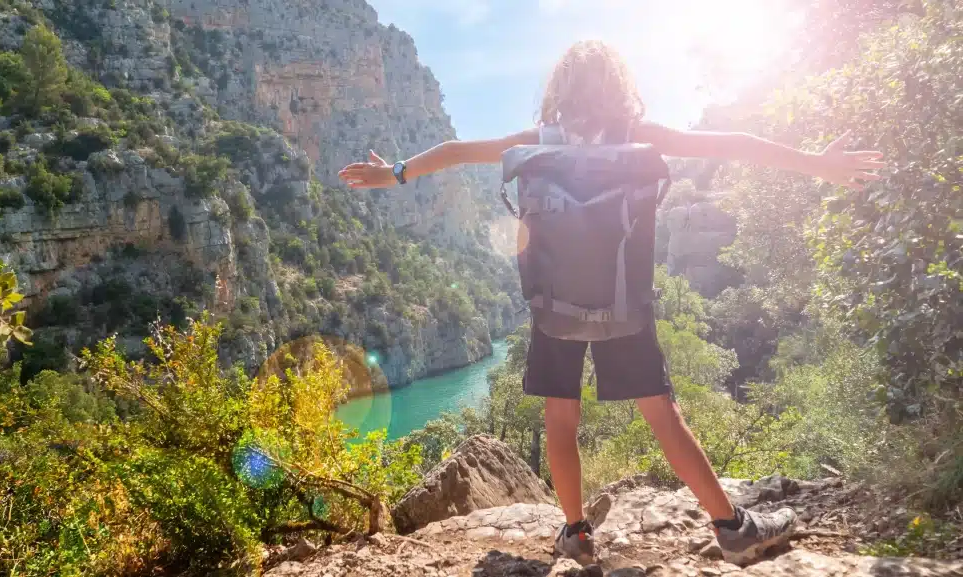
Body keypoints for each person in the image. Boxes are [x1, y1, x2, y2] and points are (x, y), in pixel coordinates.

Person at [338, 40, 885, 566]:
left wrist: (395, 174)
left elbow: (457, 153)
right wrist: (816, 162)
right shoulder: (638, 134)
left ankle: (575, 534)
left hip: (554, 304)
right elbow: (732, 142)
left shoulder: (540, 137)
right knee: (662, 414)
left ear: (561, 89)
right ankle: (731, 529)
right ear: (618, 88)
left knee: (560, 415)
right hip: (625, 302)